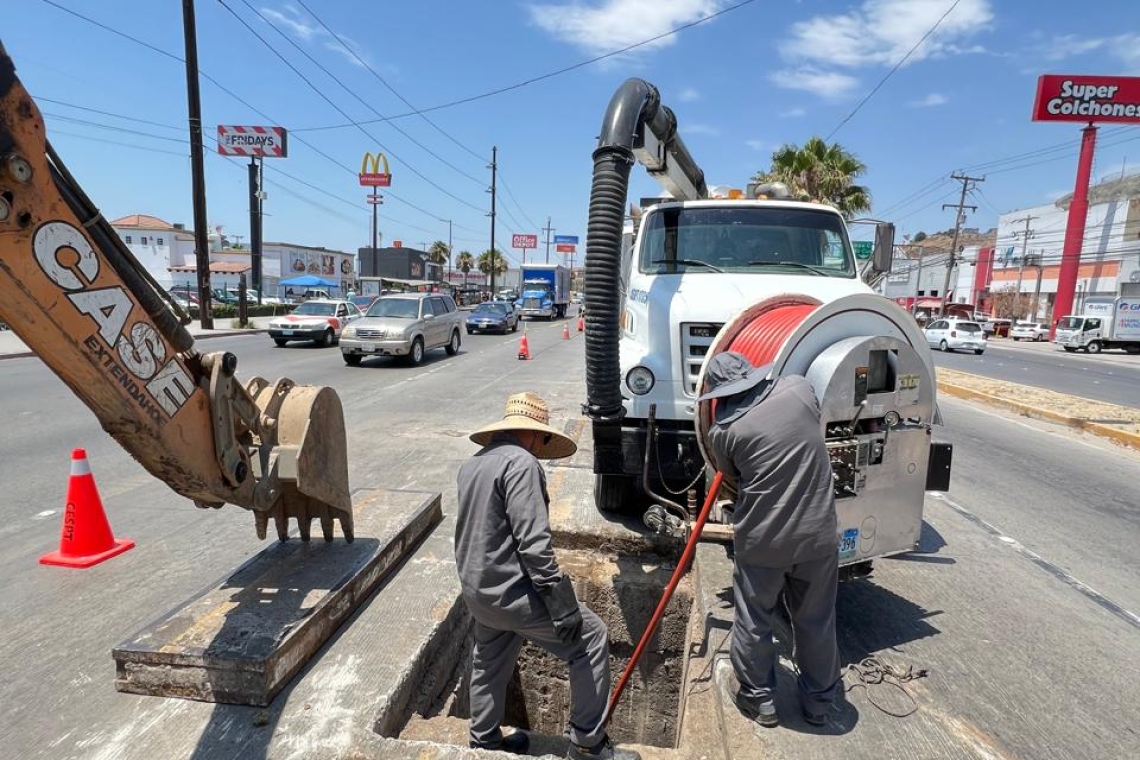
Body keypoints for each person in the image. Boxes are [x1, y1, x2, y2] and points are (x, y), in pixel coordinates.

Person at [456, 393, 639, 760]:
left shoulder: (474, 464)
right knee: (590, 636)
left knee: (489, 659)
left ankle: (484, 741)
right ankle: (587, 743)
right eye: (542, 441)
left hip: (477, 590)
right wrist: (561, 602)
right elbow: (533, 543)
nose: (541, 448)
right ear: (534, 435)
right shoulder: (522, 464)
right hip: (512, 593)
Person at [699, 352, 840, 729]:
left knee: (754, 617)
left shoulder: (724, 431)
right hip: (818, 535)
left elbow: (731, 476)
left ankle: (759, 699)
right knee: (816, 620)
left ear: (720, 395)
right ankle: (818, 704)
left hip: (764, 542)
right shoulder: (798, 390)